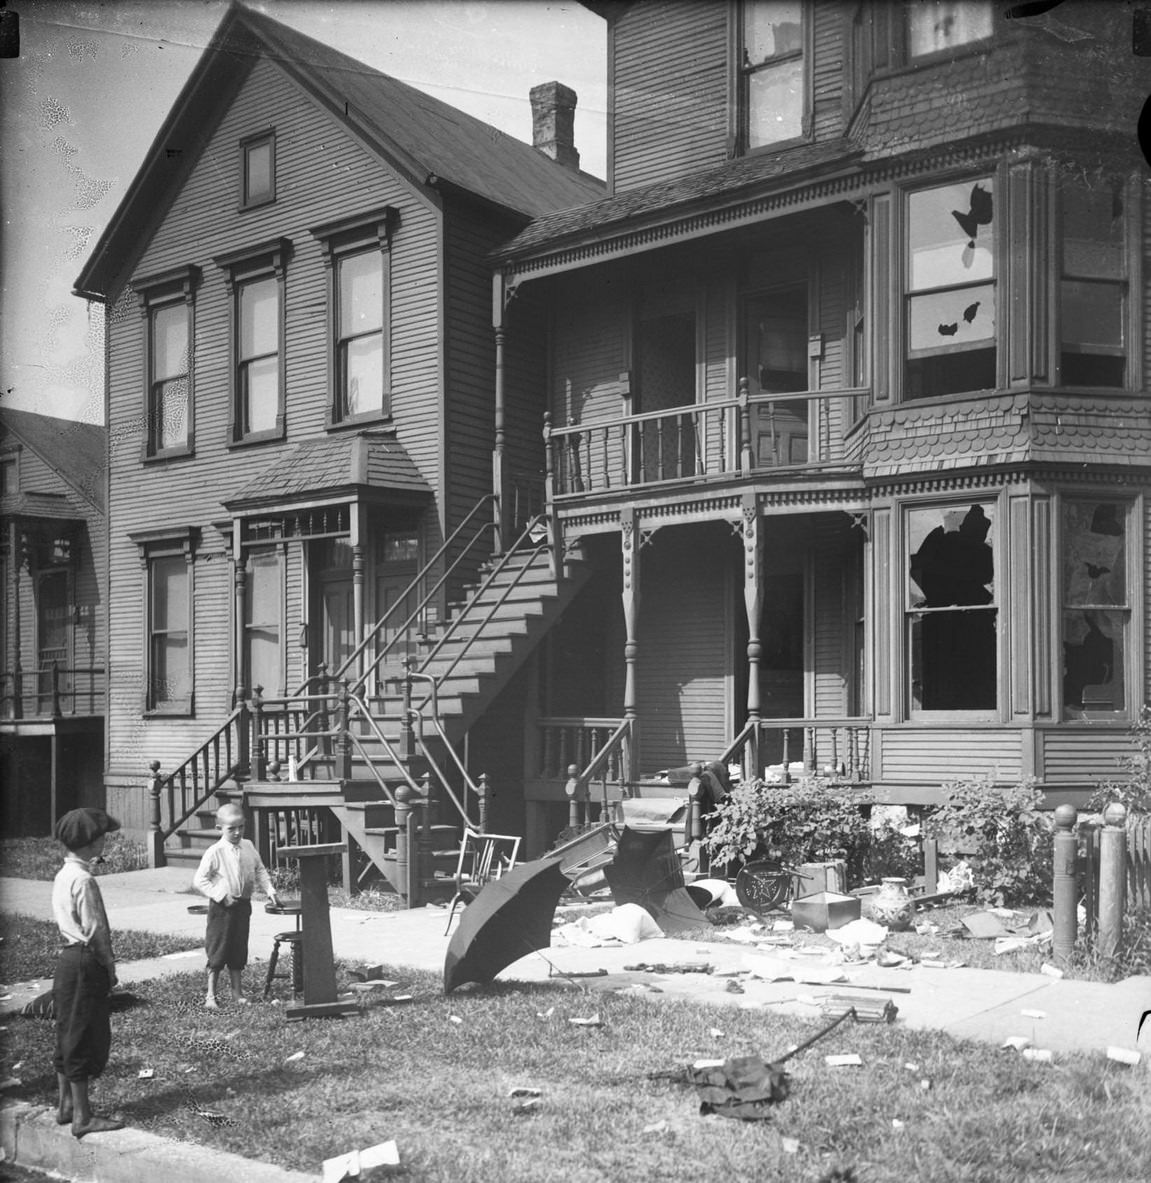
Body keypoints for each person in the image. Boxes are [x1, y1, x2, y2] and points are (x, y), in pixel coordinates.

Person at [51, 807, 125, 1138]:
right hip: (84, 959)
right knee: (84, 1034)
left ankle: (65, 1105)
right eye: (102, 837)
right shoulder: (84, 879)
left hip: (67, 959)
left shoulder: (63, 874)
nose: (105, 842)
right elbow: (97, 931)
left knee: (68, 1031)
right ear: (91, 842)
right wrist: (109, 969)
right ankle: (83, 1116)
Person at [192, 803, 279, 1009]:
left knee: (238, 949)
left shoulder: (248, 845)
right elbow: (200, 880)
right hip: (222, 909)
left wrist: (271, 891)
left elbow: (259, 870)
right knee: (218, 949)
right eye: (231, 828)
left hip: (243, 906)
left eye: (241, 827)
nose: (237, 832)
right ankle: (211, 996)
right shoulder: (215, 851)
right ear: (219, 829)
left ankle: (237, 992)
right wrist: (221, 896)